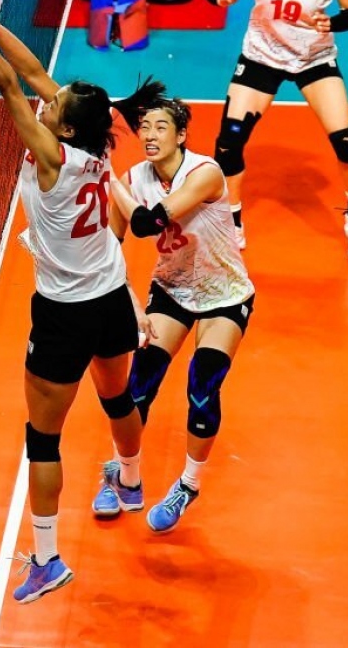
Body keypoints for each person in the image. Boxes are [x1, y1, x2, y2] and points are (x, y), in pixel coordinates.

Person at [0, 0, 151, 604]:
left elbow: (10, 86)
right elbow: (33, 73)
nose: (47, 98)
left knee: (43, 439)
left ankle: (47, 558)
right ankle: (132, 480)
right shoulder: (92, 143)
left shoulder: (50, 157)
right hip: (111, 295)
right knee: (117, 397)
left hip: (64, 314)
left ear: (63, 125)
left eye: (54, 104)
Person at [98, 88, 256, 534]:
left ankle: (188, 485)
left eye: (161, 127)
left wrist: (105, 173)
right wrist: (129, 302)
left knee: (203, 385)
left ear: (181, 135)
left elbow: (148, 222)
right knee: (138, 387)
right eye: (144, 127)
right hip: (171, 291)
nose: (149, 135)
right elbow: (110, 249)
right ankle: (123, 473)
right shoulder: (134, 178)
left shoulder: (205, 173)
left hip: (226, 295)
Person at [204, 0, 348, 265]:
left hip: (314, 59)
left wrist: (331, 23)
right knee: (229, 141)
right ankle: (232, 222)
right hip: (261, 57)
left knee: (346, 141)